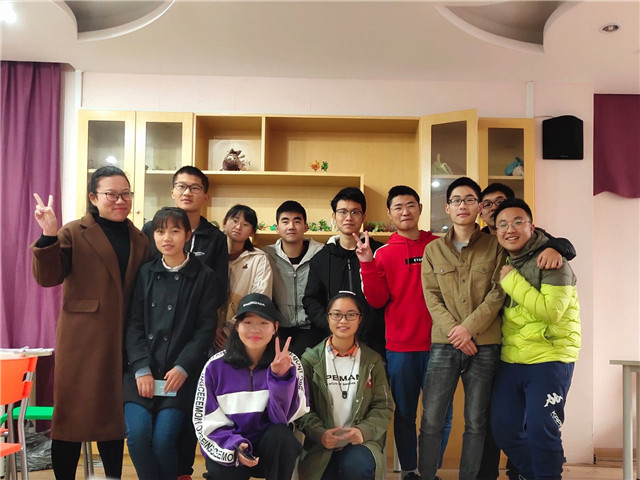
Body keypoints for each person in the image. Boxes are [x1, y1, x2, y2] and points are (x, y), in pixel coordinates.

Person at [31, 166, 149, 479]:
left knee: (112, 420)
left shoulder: (139, 239)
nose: (120, 200)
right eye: (111, 194)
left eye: (125, 194)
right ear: (93, 197)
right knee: (70, 420)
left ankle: (112, 477)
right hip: (81, 342)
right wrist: (48, 234)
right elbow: (48, 277)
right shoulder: (73, 232)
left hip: (123, 341)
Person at [476, 182, 577, 480]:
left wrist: (512, 281)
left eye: (517, 222)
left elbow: (551, 312)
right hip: (512, 358)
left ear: (531, 227)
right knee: (504, 427)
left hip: (550, 356)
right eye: (502, 224)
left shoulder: (552, 260)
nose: (509, 229)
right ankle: (534, 474)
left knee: (541, 429)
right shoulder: (502, 256)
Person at [355, 185, 451, 480]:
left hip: (441, 346)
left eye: (410, 205)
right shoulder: (382, 253)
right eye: (398, 207)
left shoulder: (440, 245)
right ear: (389, 213)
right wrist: (367, 262)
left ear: (420, 208)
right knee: (405, 414)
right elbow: (376, 300)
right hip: (401, 348)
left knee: (440, 416)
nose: (405, 211)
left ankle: (430, 470)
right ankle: (409, 470)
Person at [141, 165, 228, 480]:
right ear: (172, 191)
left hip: (194, 333)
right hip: (155, 332)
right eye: (181, 186)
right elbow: (145, 277)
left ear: (205, 195)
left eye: (194, 187)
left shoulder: (214, 236)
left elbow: (219, 285)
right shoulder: (151, 228)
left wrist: (212, 325)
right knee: (153, 420)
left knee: (189, 402)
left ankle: (183, 471)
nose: (187, 192)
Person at [419, 177, 505, 480]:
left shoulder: (496, 246)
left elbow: (498, 293)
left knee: (476, 422)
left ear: (479, 206)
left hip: (485, 344)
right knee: (431, 419)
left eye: (469, 199)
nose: (463, 206)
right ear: (447, 207)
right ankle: (427, 475)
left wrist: (468, 329)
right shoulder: (433, 250)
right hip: (444, 343)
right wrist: (457, 333)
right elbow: (432, 297)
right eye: (456, 200)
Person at [123, 207, 217, 480]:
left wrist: (183, 367)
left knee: (164, 441)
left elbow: (204, 330)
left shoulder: (204, 276)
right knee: (138, 437)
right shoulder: (145, 273)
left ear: (188, 235)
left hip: (180, 375)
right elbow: (133, 325)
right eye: (160, 231)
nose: (167, 238)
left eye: (175, 231)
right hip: (140, 372)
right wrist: (141, 368)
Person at [193, 293, 309, 480]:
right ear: (237, 326)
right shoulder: (214, 366)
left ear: (275, 327)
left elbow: (285, 417)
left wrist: (280, 378)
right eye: (247, 322)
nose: (255, 329)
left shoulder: (289, 362)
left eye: (263, 323)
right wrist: (234, 446)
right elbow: (204, 420)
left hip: (268, 448)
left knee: (282, 436)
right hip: (231, 445)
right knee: (221, 470)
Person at [297, 292, 394, 480]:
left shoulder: (372, 361)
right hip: (321, 446)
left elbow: (383, 407)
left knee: (356, 467)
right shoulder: (310, 361)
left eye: (351, 314)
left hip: (360, 444)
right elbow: (302, 409)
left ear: (359, 319)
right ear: (328, 318)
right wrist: (320, 434)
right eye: (336, 314)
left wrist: (362, 431)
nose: (343, 320)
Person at [303, 187, 386, 357]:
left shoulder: (380, 252)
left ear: (363, 216)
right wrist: (331, 325)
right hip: (333, 343)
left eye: (355, 212)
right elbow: (311, 300)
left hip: (374, 343)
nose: (348, 217)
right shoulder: (321, 259)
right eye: (342, 212)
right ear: (334, 216)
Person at [264, 200, 324, 357]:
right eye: (285, 221)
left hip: (312, 327)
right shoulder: (266, 255)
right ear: (277, 227)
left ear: (305, 226)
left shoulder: (321, 254)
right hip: (277, 327)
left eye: (297, 221)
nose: (291, 226)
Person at [216, 204, 273, 351]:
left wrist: (230, 330)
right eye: (234, 220)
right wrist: (212, 328)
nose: (238, 227)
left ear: (252, 231)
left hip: (241, 333)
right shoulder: (211, 255)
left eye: (246, 224)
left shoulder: (258, 259)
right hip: (207, 331)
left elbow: (259, 298)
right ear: (224, 223)